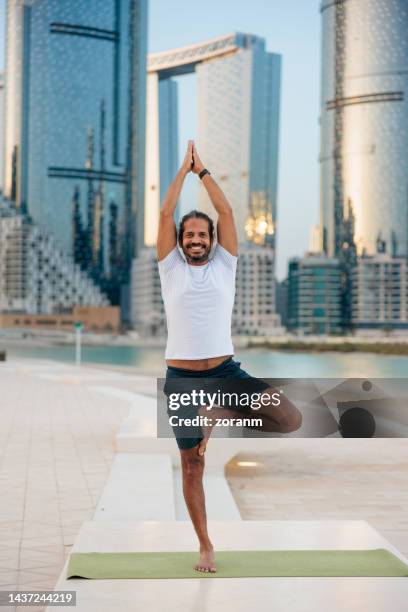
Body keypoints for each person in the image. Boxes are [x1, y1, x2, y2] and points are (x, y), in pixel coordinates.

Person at [157, 140, 302, 573]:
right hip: (181, 379)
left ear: (212, 241)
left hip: (225, 371)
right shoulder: (170, 268)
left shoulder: (226, 264)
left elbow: (227, 214)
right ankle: (205, 545)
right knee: (191, 465)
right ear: (181, 242)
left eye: (202, 234)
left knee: (289, 418)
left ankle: (218, 408)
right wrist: (181, 172)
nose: (196, 239)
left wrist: (203, 173)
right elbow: (165, 215)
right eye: (190, 235)